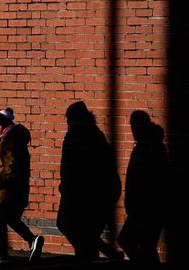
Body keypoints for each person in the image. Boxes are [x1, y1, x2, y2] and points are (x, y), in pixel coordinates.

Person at [57, 101, 123, 261]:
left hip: (82, 193)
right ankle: (110, 254)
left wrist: (66, 187)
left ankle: (108, 255)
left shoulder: (75, 136)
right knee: (85, 235)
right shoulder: (95, 134)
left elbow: (70, 167)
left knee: (74, 230)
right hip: (93, 193)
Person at [0, 108, 44, 265]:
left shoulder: (7, 141)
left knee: (0, 223)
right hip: (18, 187)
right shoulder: (17, 138)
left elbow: (5, 167)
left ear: (4, 125)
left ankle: (2, 255)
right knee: (11, 218)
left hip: (5, 189)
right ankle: (32, 240)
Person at [118, 111, 168, 264]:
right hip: (144, 208)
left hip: (147, 208)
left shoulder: (151, 147)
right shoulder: (146, 146)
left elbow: (154, 180)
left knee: (132, 241)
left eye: (135, 126)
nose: (133, 130)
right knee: (146, 246)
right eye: (132, 126)